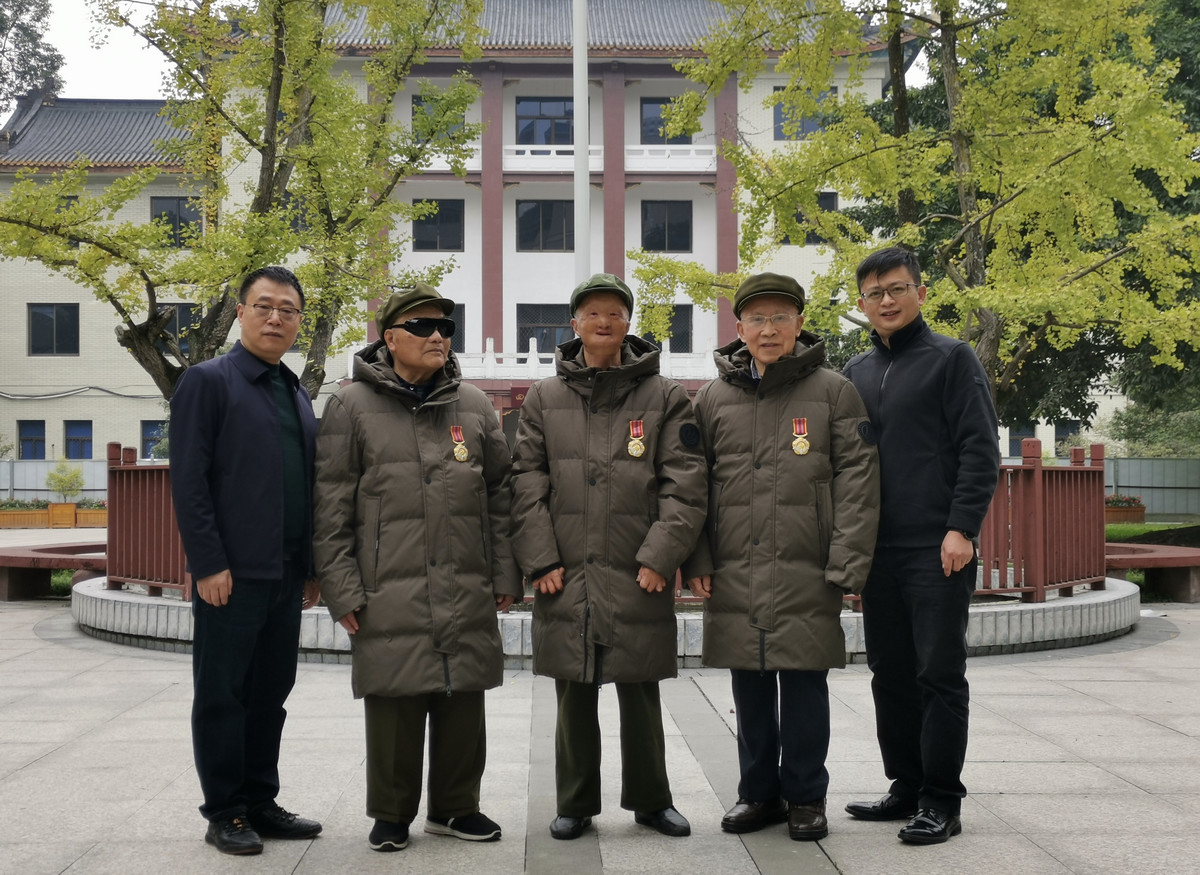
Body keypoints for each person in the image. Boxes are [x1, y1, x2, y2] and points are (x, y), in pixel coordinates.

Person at [313, 283, 521, 853]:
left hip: (465, 577)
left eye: (445, 328)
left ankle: (456, 807)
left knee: (463, 695)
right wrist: (341, 587)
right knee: (394, 695)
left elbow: (501, 495)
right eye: (422, 327)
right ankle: (391, 812)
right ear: (390, 337)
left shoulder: (474, 406)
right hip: (387, 580)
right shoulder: (351, 405)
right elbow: (331, 505)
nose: (437, 337)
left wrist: (506, 573)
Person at [682, 273, 879, 841]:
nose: (769, 330)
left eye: (780, 318)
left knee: (803, 686)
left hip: (807, 564)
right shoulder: (713, 397)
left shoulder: (834, 391)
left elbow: (859, 480)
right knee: (748, 685)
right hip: (735, 565)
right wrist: (698, 558)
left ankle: (806, 796)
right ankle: (758, 794)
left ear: (799, 323)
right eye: (757, 319)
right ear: (739, 328)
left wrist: (846, 562)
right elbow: (693, 484)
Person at [511, 273, 707, 841]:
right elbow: (525, 482)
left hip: (636, 568)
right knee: (573, 689)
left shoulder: (665, 395)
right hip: (565, 569)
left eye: (614, 313)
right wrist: (540, 559)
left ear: (627, 323)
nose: (603, 321)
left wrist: (661, 555)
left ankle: (652, 800)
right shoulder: (544, 397)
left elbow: (685, 483)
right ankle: (574, 802)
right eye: (592, 313)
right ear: (574, 323)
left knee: (640, 687)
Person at [842, 246, 1000, 844]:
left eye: (897, 288)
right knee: (889, 673)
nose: (886, 300)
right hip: (876, 550)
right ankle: (905, 785)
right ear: (863, 303)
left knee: (939, 673)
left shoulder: (952, 358)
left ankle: (941, 799)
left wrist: (963, 528)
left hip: (937, 547)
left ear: (921, 293)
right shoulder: (855, 371)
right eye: (875, 292)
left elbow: (980, 449)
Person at [169, 265, 323, 856]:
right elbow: (190, 481)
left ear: (299, 321)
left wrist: (310, 566)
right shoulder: (208, 381)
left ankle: (260, 800)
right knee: (222, 695)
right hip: (231, 574)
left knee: (269, 693)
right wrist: (208, 563)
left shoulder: (295, 390)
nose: (275, 318)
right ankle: (226, 811)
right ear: (240, 313)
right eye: (264, 306)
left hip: (285, 572)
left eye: (288, 309)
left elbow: (306, 484)